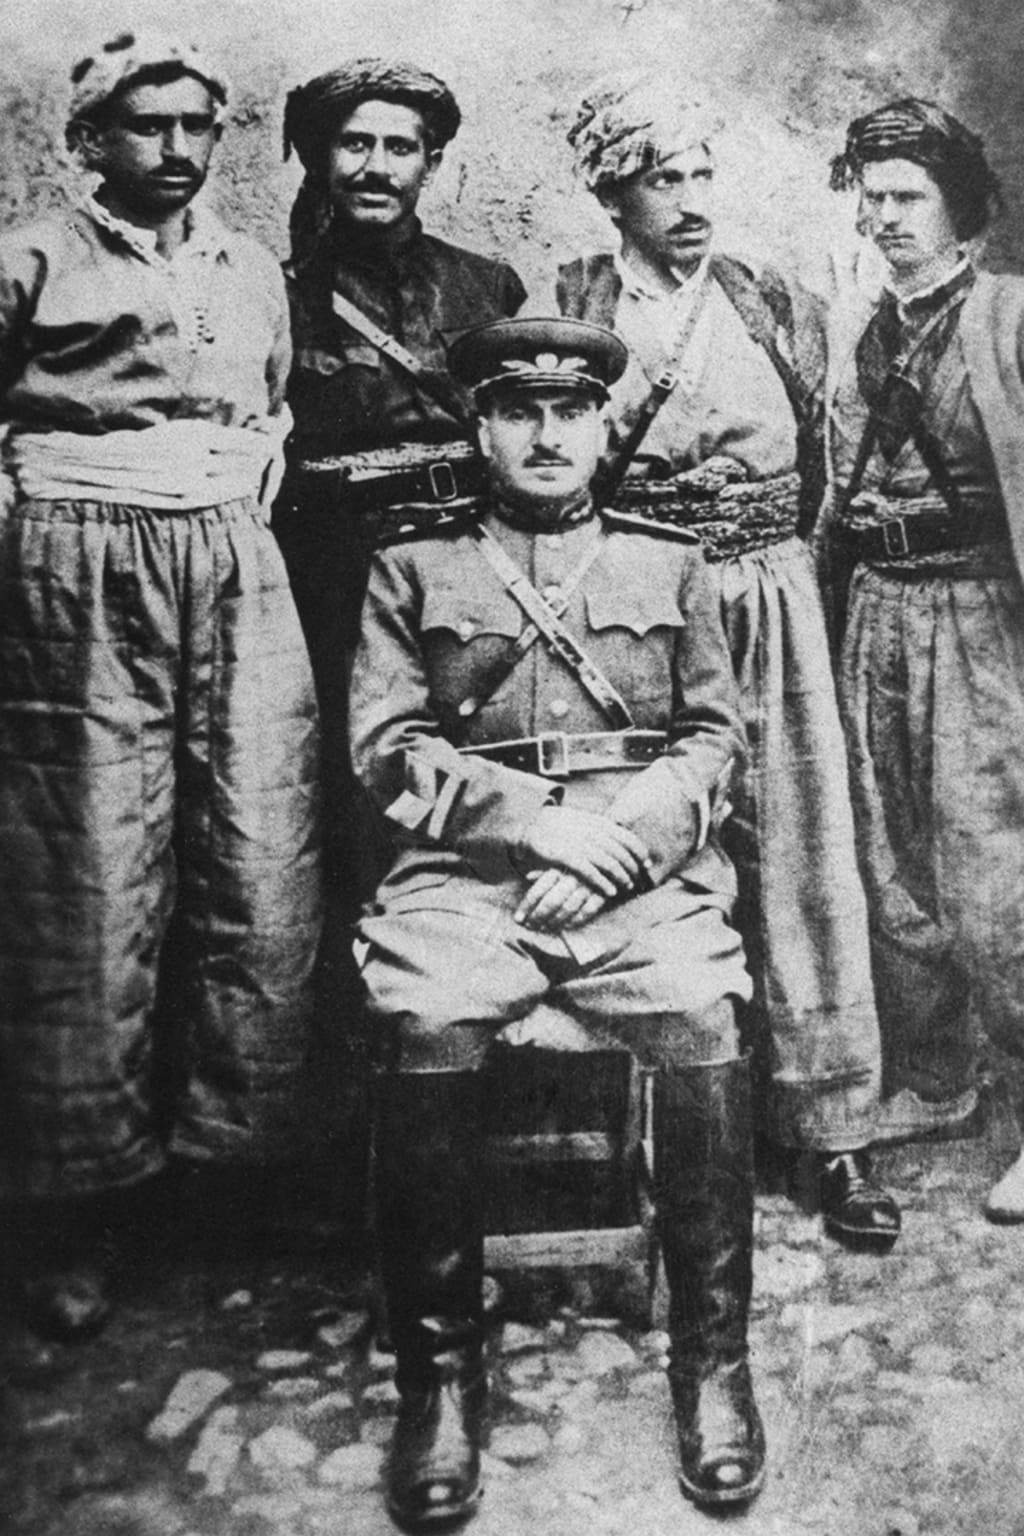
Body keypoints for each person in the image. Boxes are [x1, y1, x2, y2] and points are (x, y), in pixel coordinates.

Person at [349, 316, 766, 1525]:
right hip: (471, 871)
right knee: (420, 1010)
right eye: (518, 413)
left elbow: (714, 739)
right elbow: (388, 744)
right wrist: (536, 825)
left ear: (600, 428)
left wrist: (620, 843)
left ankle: (713, 1366)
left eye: (568, 413)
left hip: (638, 875)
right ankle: (440, 1381)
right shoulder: (412, 567)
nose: (544, 435)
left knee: (700, 1006)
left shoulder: (666, 559)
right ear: (480, 428)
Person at [0, 32, 321, 1339]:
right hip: (72, 577)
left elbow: (272, 414)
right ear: (90, 139)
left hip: (233, 569)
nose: (178, 150)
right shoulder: (31, 253)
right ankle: (76, 1207)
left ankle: (231, 1179)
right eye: (148, 125)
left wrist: (231, 496)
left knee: (256, 848)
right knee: (86, 874)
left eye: (200, 126)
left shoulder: (248, 268)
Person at [557, 76, 900, 1249]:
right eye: (662, 178)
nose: (690, 201)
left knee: (805, 846)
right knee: (648, 840)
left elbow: (828, 459)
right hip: (638, 607)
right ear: (611, 192)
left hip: (770, 591)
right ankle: (666, 1142)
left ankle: (830, 1131)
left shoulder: (773, 304)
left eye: (702, 173)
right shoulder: (573, 303)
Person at [825, 99, 1024, 1213]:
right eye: (872, 194)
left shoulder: (1006, 318)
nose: (884, 213)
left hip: (979, 612)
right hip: (874, 609)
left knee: (994, 874)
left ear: (961, 209)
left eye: (907, 195)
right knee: (886, 860)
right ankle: (937, 1078)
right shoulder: (858, 327)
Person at [274, 58, 526, 903]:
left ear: (433, 161)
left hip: (462, 572)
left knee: (472, 768)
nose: (377, 166)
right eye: (354, 144)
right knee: (352, 780)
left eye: (400, 146)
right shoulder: (280, 294)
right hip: (333, 573)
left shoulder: (487, 285)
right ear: (319, 156)